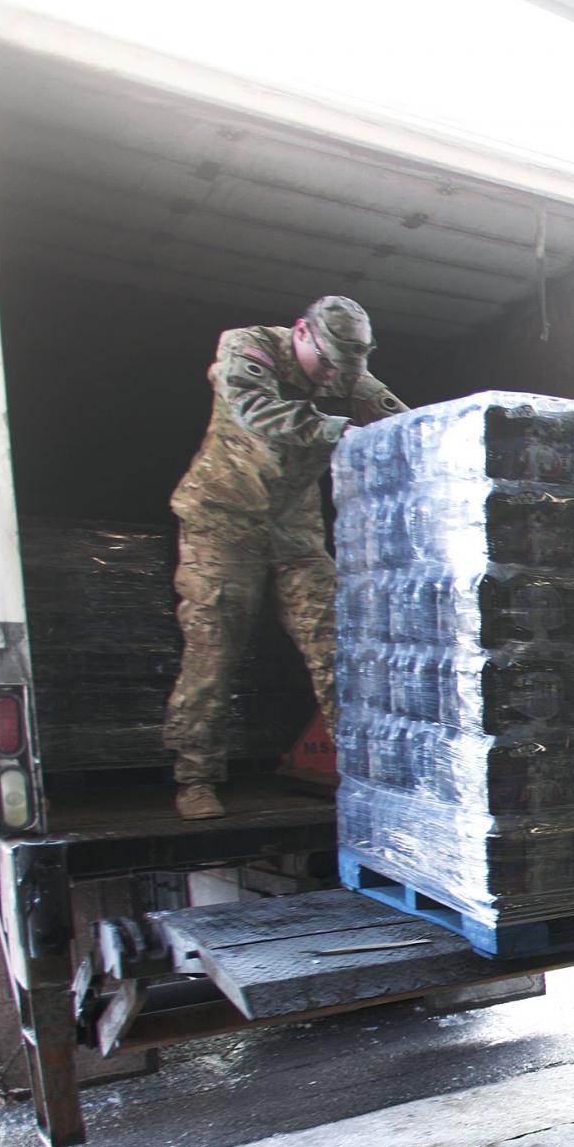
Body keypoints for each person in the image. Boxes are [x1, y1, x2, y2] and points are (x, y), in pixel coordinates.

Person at [163, 296, 405, 818]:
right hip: (223, 519)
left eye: (345, 370)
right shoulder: (248, 346)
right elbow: (256, 411)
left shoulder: (342, 370)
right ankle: (195, 777)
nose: (334, 379)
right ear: (302, 333)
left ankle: (367, 774)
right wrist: (336, 429)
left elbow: (399, 418)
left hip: (293, 530)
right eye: (330, 365)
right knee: (214, 647)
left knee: (336, 645)